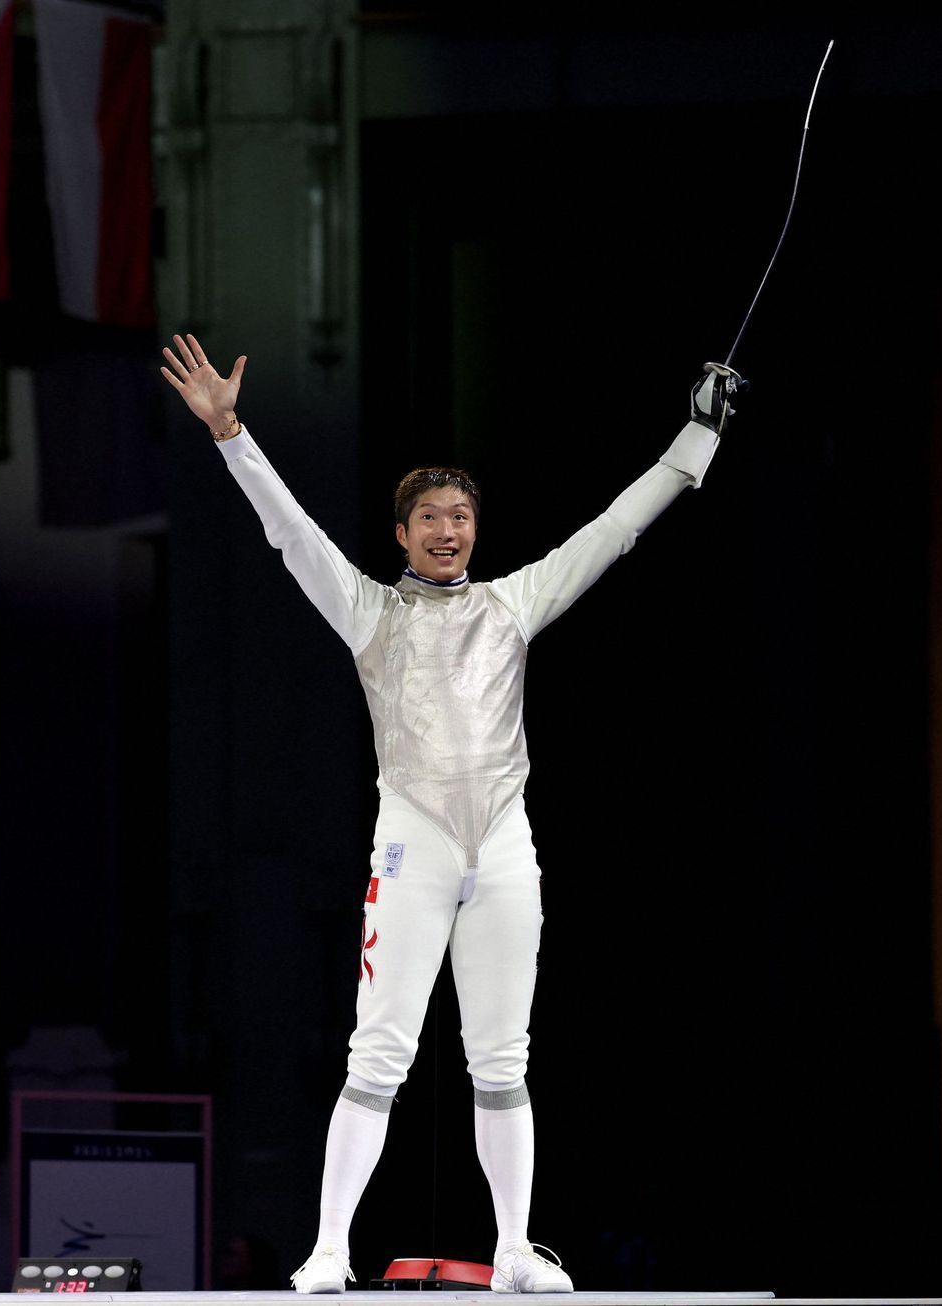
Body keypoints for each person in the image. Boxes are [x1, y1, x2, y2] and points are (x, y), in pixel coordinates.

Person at [160, 333, 734, 1295]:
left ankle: (514, 1248)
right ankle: (330, 1249)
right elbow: (292, 531)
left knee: (502, 1057)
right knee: (378, 1051)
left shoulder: (513, 605)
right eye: (429, 517)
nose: (446, 530)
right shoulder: (369, 613)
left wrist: (695, 442)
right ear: (401, 534)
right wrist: (231, 434)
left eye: (459, 516)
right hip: (411, 848)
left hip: (504, 847)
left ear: (475, 528)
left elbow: (611, 530)